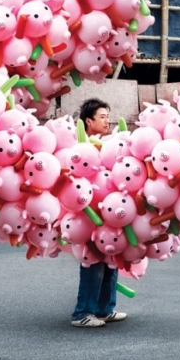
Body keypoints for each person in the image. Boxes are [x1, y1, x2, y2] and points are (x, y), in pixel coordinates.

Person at [70, 98, 127, 328]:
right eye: (102, 116)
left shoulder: (108, 145)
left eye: (107, 116)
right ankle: (82, 313)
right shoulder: (80, 149)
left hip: (108, 212)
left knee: (110, 260)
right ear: (88, 121)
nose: (107, 121)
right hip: (88, 215)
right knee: (92, 261)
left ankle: (104, 309)